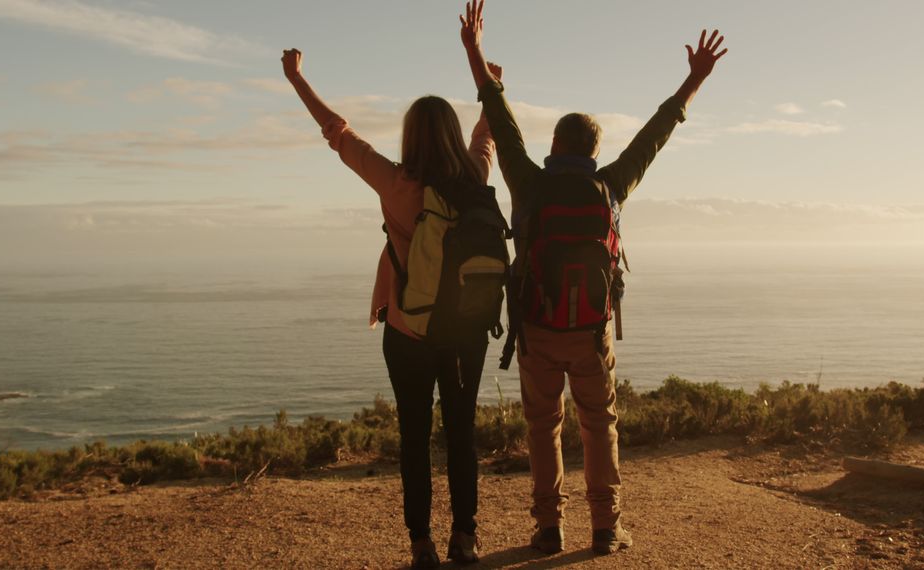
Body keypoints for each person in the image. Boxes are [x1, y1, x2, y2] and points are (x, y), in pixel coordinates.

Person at [458, 0, 728, 556]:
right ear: (595, 151)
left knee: (543, 428)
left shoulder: (528, 182)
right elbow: (657, 134)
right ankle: (606, 528)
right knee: (598, 424)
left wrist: (475, 49)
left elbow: (500, 119)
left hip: (535, 328)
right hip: (590, 330)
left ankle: (548, 528)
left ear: (554, 146)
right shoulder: (612, 184)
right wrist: (693, 81)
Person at [281, 48, 503, 568]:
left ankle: (421, 542)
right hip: (467, 331)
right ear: (449, 134)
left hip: (408, 331)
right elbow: (486, 135)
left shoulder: (394, 182)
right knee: (462, 435)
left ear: (410, 137)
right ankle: (465, 537)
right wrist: (492, 88)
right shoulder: (475, 177)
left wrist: (297, 78)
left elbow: (337, 132)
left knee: (413, 437)